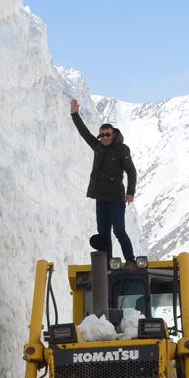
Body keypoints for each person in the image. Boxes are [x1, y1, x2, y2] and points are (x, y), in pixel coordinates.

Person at [70, 98, 137, 262]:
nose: (105, 138)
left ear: (113, 134)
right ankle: (107, 264)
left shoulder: (122, 149)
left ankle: (130, 260)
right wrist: (75, 115)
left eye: (108, 134)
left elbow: (131, 171)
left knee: (119, 231)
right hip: (101, 199)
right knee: (103, 233)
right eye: (102, 135)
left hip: (116, 198)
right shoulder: (98, 147)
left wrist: (130, 192)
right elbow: (85, 133)